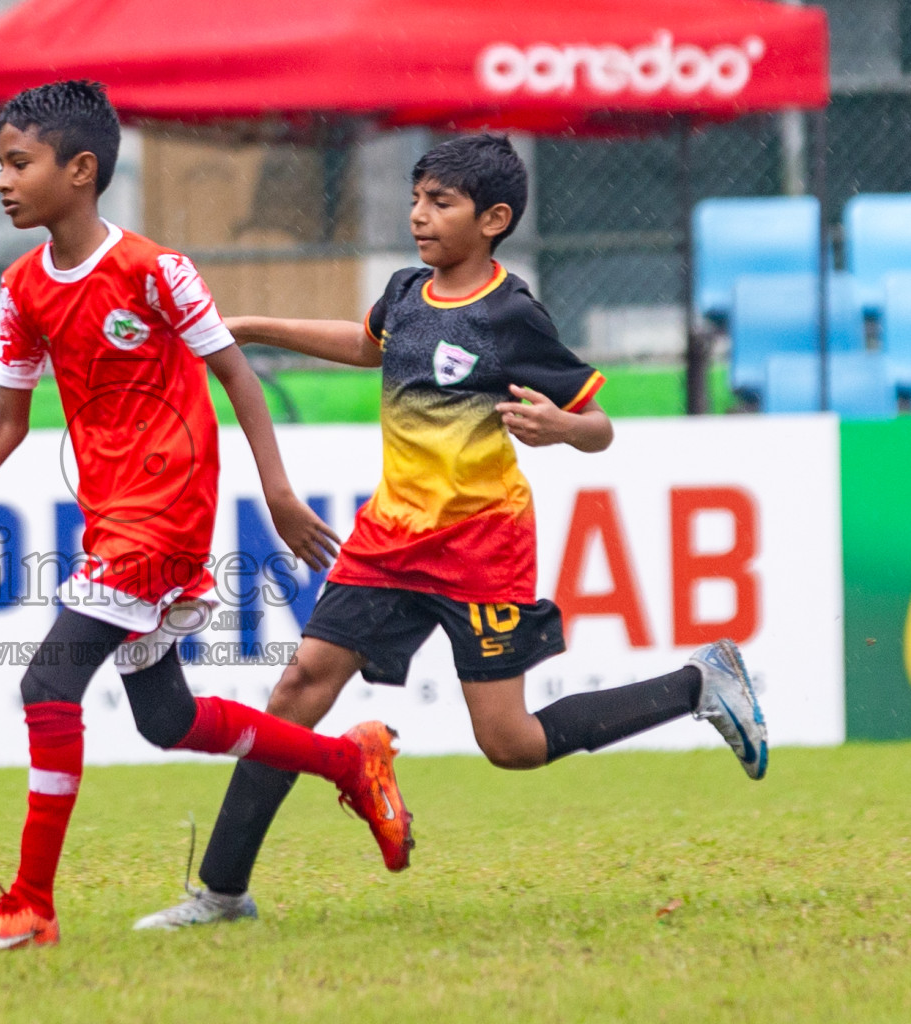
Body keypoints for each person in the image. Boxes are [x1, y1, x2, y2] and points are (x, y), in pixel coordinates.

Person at [134, 133, 768, 932]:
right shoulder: (405, 291)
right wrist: (252, 327)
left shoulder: (511, 313)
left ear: (494, 218)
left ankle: (699, 685)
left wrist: (562, 430)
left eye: (441, 202)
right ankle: (222, 893)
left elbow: (598, 424)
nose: (419, 216)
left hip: (482, 549)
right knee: (298, 689)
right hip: (389, 539)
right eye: (415, 198)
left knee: (511, 743)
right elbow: (369, 345)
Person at [0, 80, 412, 951]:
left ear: (81, 170)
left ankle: (31, 904)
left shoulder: (156, 270)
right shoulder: (22, 289)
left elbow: (237, 373)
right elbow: (9, 421)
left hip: (166, 517)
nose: (2, 181)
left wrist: (276, 489)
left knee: (46, 680)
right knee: (164, 720)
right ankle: (346, 760)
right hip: (112, 519)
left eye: (19, 163)